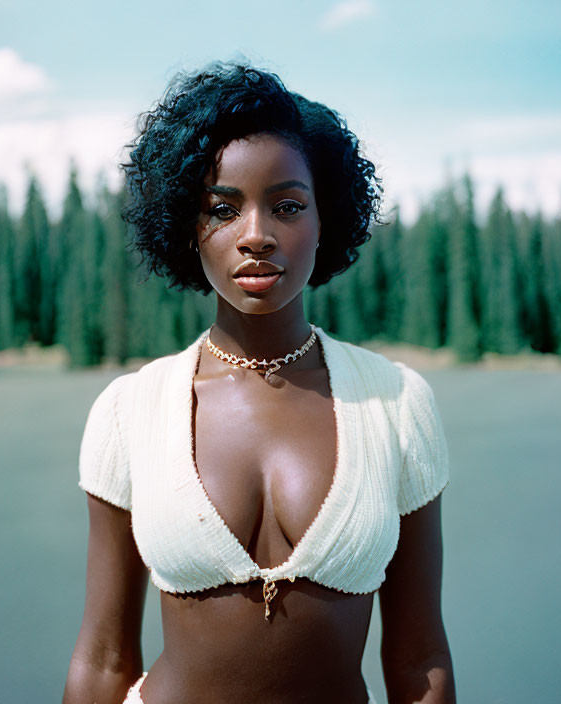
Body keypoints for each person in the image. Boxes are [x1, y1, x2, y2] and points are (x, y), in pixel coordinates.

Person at [62, 62, 455, 704]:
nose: (256, 235)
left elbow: (419, 661)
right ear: (188, 228)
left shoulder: (397, 403)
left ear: (325, 219)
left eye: (287, 206)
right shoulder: (129, 412)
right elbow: (103, 659)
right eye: (222, 208)